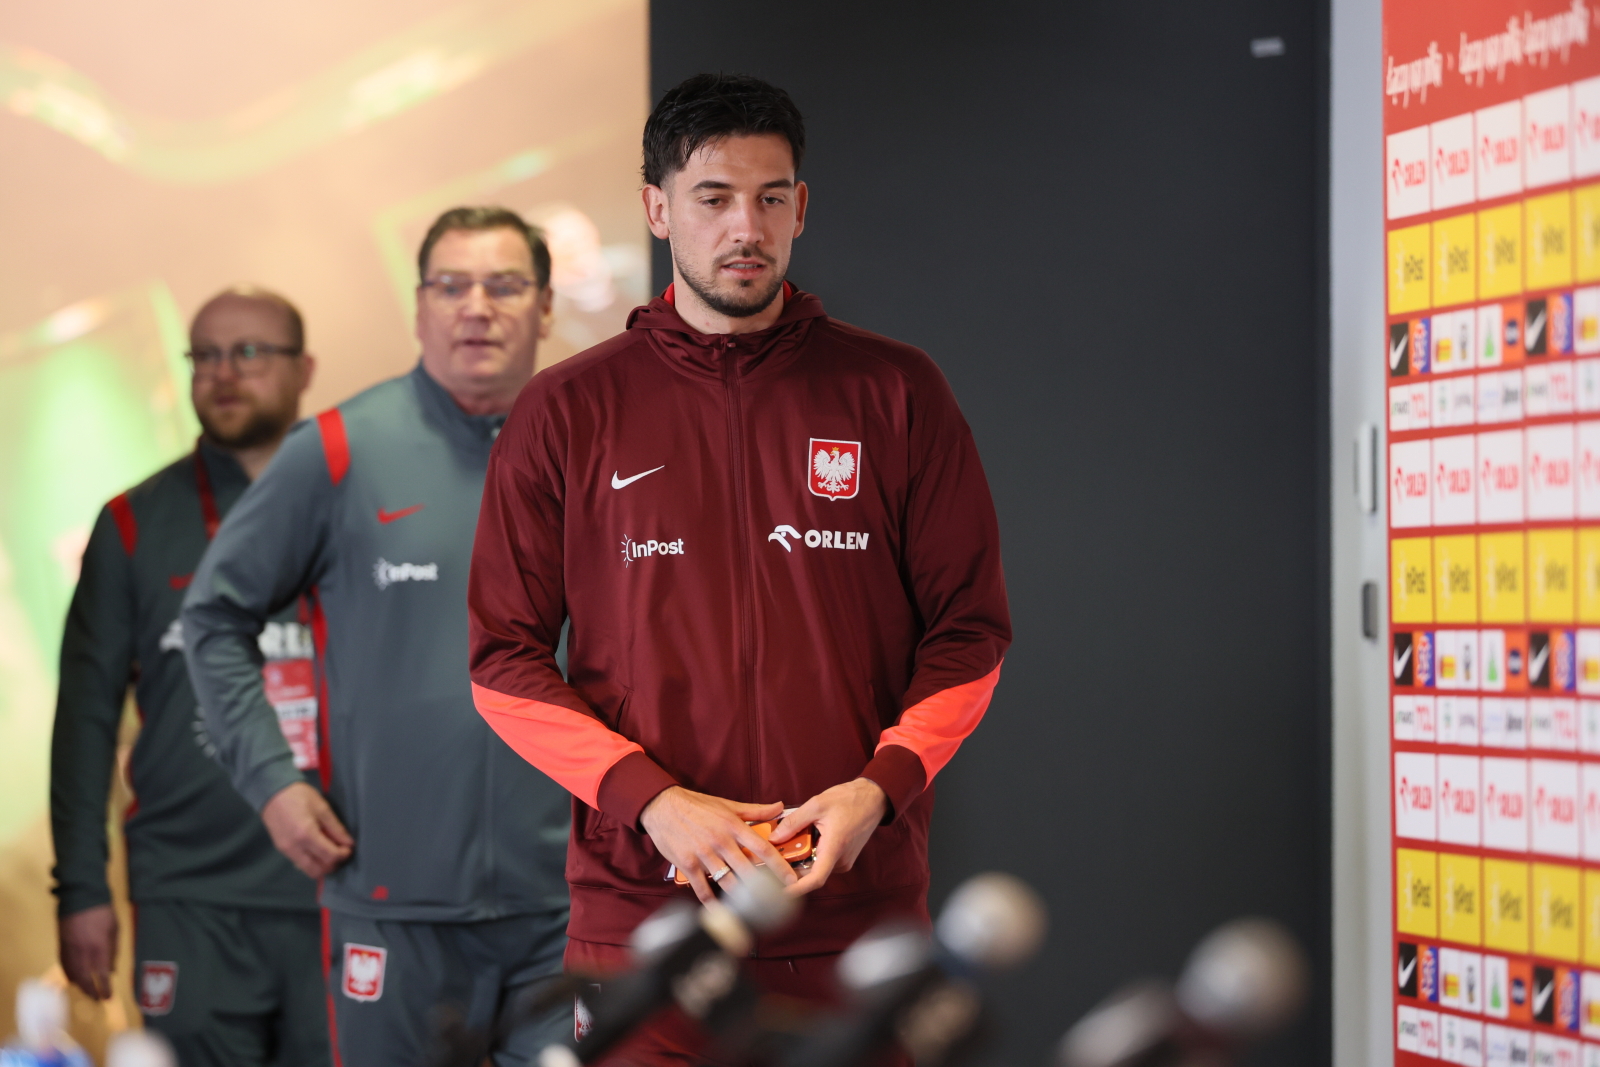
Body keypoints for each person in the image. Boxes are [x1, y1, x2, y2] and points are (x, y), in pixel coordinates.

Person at [467, 73, 1011, 1063]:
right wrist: (654, 803)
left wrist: (878, 787)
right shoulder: (566, 410)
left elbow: (969, 635)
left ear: (801, 207)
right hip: (645, 921)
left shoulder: (896, 391)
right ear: (657, 208)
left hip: (857, 918)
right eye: (712, 198)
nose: (744, 227)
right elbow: (502, 661)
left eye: (769, 197)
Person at [181, 208, 572, 1067]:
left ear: (545, 307)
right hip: (391, 904)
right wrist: (272, 783)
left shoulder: (596, 444)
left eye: (505, 286)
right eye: (452, 286)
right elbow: (211, 617)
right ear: (420, 306)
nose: (477, 307)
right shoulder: (339, 447)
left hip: (566, 906)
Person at [51, 287, 327, 1066]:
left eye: (249, 352)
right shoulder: (133, 522)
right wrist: (82, 888)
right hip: (188, 893)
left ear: (304, 368)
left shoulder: (357, 500)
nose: (223, 372)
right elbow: (85, 720)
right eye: (205, 355)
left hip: (343, 879)